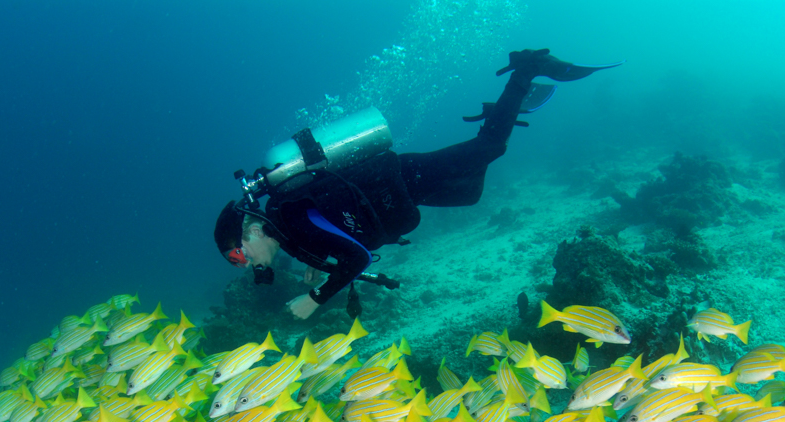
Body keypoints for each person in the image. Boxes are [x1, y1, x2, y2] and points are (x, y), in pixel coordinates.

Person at [213, 49, 622, 320]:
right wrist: (312, 262)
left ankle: (526, 69)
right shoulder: (289, 229)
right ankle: (501, 111)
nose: (244, 264)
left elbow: (357, 256)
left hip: (402, 179)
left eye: (236, 256)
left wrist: (314, 299)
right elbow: (329, 225)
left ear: (250, 231)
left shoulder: (289, 217)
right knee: (470, 193)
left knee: (491, 147)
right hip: (403, 196)